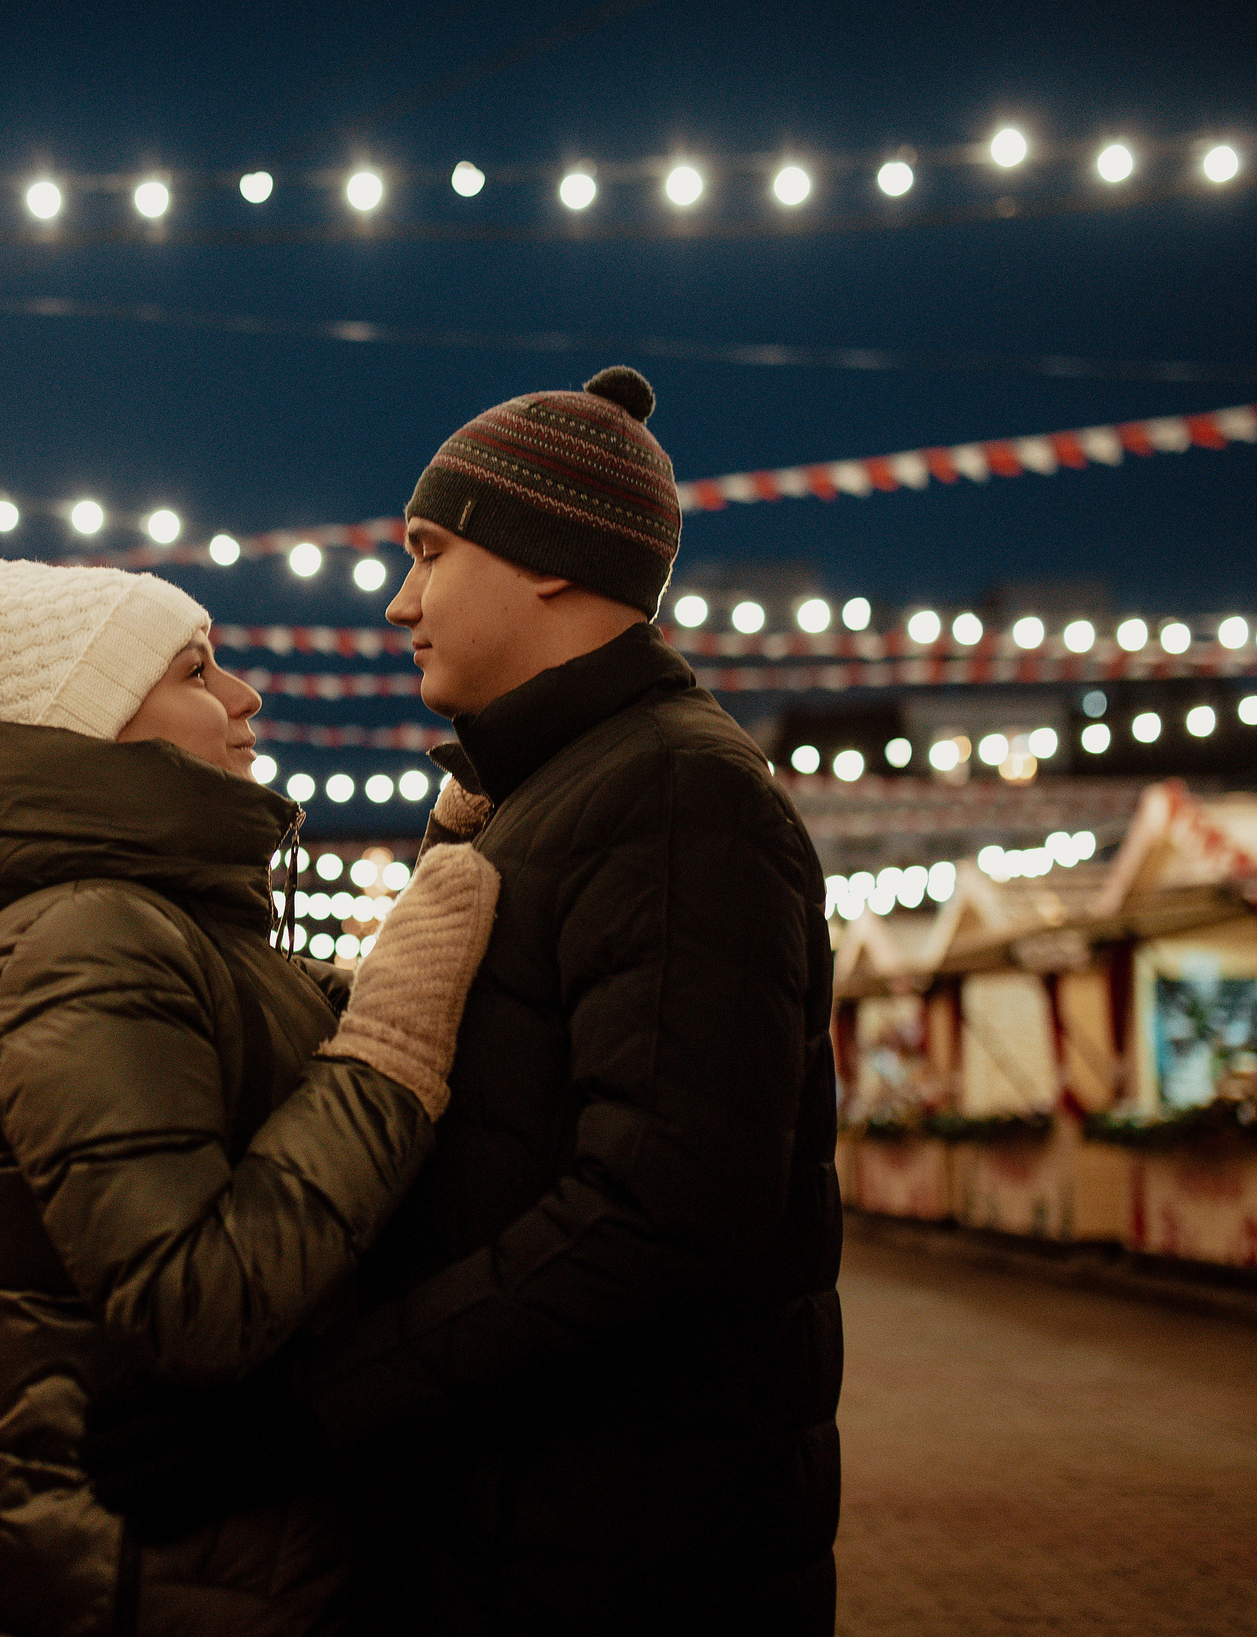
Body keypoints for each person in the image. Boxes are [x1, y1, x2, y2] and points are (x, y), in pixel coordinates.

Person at [90, 369, 843, 1633]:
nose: (399, 600)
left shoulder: (672, 794)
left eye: (429, 552)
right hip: (525, 1523)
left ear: (549, 557)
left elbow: (661, 1209)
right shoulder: (557, 792)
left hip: (616, 1553)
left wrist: (310, 1410)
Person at [0, 558, 501, 1637]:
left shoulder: (164, 921)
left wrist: (447, 862)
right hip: (138, 1570)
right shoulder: (84, 937)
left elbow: (280, 1051)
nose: (243, 697)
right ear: (92, 727)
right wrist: (388, 1058)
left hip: (189, 1561)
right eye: (197, 671)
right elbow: (193, 1301)